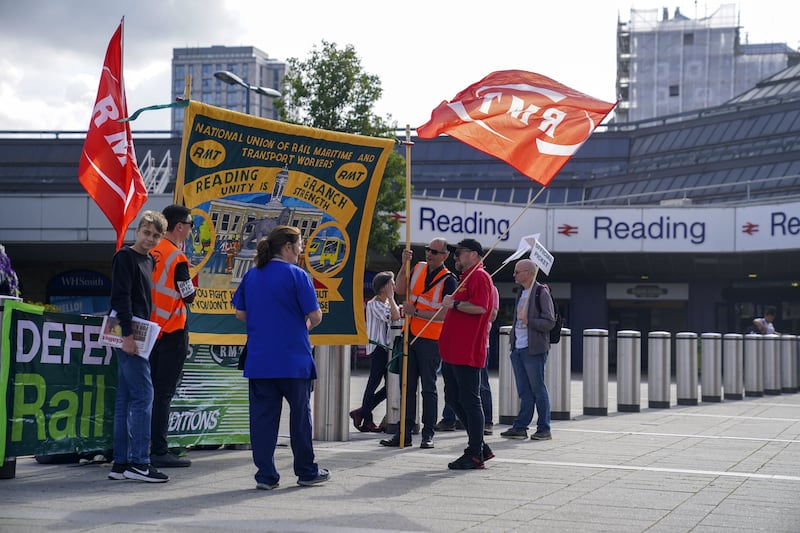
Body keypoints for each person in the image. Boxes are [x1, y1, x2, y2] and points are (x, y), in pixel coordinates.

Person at [232, 225, 329, 490]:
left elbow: (240, 313)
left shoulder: (252, 275)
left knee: (262, 420)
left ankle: (265, 476)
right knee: (299, 418)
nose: (301, 250)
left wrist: (265, 321)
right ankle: (307, 472)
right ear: (287, 247)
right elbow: (315, 315)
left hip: (260, 359)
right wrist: (299, 325)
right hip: (293, 359)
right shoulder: (297, 275)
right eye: (299, 245)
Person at [108, 210, 170, 483]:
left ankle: (121, 464)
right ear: (137, 231)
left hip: (137, 334)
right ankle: (140, 464)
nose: (150, 239)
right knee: (144, 397)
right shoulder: (125, 257)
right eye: (146, 233)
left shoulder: (148, 260)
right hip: (130, 335)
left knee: (124, 401)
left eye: (156, 235)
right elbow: (120, 297)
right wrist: (129, 336)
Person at [380, 238, 456, 449]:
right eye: (427, 249)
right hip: (409, 335)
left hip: (430, 339)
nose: (429, 253)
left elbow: (445, 314)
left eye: (434, 251)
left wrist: (417, 312)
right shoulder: (419, 267)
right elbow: (400, 288)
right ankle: (403, 433)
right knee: (407, 387)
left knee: (428, 388)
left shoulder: (449, 279)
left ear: (445, 256)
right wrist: (404, 266)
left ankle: (428, 433)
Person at [439, 238, 494, 469]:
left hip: (467, 351)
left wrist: (455, 305)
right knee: (453, 398)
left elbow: (481, 308)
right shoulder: (466, 278)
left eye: (459, 252)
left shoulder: (480, 276)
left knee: (471, 401)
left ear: (473, 254)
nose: (455, 257)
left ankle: (474, 453)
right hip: (453, 351)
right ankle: (479, 445)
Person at [149, 205, 197, 468]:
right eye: (190, 224)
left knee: (149, 392)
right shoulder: (177, 257)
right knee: (163, 393)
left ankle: (144, 446)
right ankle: (159, 449)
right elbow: (187, 294)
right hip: (171, 330)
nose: (191, 229)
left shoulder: (151, 251)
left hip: (148, 331)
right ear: (179, 226)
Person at [436, 274, 499, 436]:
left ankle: (486, 425)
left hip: (477, 344)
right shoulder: (460, 287)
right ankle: (452, 419)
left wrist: (458, 304)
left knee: (478, 388)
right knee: (453, 392)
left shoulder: (487, 285)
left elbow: (489, 312)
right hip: (457, 346)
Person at [501, 259, 556, 441]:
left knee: (538, 388)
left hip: (533, 349)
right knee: (524, 390)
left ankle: (544, 428)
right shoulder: (521, 292)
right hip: (518, 348)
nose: (514, 275)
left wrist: (528, 321)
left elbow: (549, 321)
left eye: (518, 272)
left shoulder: (541, 292)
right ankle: (521, 426)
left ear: (529, 273)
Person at [350, 271, 401, 432]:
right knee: (374, 382)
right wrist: (392, 298)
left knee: (390, 386)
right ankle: (366, 417)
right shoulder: (374, 304)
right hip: (379, 347)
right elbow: (394, 316)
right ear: (384, 287)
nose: (394, 286)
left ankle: (362, 412)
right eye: (391, 283)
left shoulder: (385, 303)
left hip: (387, 348)